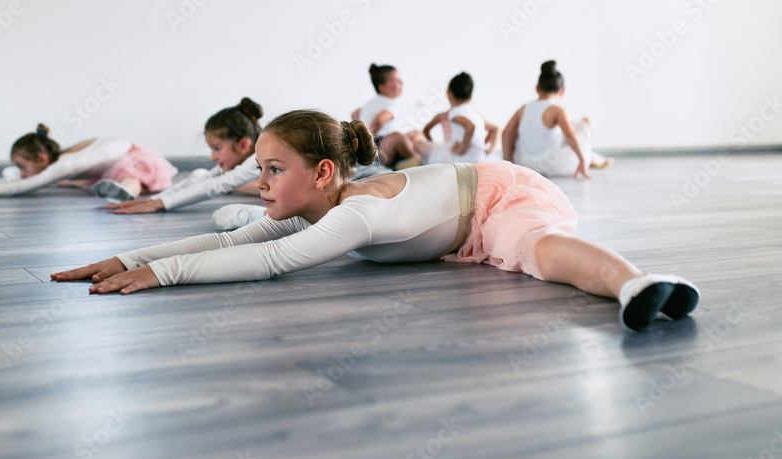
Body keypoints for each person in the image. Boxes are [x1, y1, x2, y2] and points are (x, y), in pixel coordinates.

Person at [52, 110, 698, 332]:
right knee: (241, 223)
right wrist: (135, 259)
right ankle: (637, 286)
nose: (262, 182)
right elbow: (238, 235)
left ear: (325, 174)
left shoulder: (354, 213)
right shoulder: (321, 205)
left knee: (541, 248)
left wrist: (161, 277)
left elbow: (269, 261)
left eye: (274, 169)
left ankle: (636, 285)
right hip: (464, 216)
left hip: (497, 196)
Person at [0, 125, 176, 199]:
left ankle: (126, 193)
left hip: (135, 158)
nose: (23, 175)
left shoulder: (64, 164)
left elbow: (21, 188)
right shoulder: (63, 157)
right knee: (82, 180)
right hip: (113, 158)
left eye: (24, 167)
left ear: (42, 159)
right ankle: (98, 185)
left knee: (129, 176)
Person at [106, 98, 265, 216]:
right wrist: (154, 200)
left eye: (217, 148)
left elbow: (218, 185)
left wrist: (160, 204)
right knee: (201, 175)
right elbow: (208, 178)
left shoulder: (260, 156)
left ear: (243, 145)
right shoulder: (251, 156)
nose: (212, 157)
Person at [501, 60, 613, 178]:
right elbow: (571, 136)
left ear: (537, 88)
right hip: (555, 167)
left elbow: (506, 133)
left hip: (525, 165)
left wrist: (509, 161)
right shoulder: (558, 109)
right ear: (562, 90)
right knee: (587, 122)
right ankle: (588, 158)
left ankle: (593, 156)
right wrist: (582, 160)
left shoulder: (523, 108)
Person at [414, 72, 499, 164]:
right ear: (470, 97)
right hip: (479, 156)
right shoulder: (475, 113)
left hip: (465, 157)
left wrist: (462, 148)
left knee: (417, 144)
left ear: (449, 94)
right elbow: (495, 128)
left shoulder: (454, 112)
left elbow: (470, 126)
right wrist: (490, 149)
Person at [352, 63, 421, 168]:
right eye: (396, 80)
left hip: (374, 145)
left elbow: (354, 114)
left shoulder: (371, 103)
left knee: (414, 133)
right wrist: (367, 144)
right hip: (378, 148)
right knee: (397, 137)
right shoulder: (390, 104)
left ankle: (402, 163)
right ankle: (417, 160)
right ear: (383, 87)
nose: (401, 82)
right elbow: (379, 120)